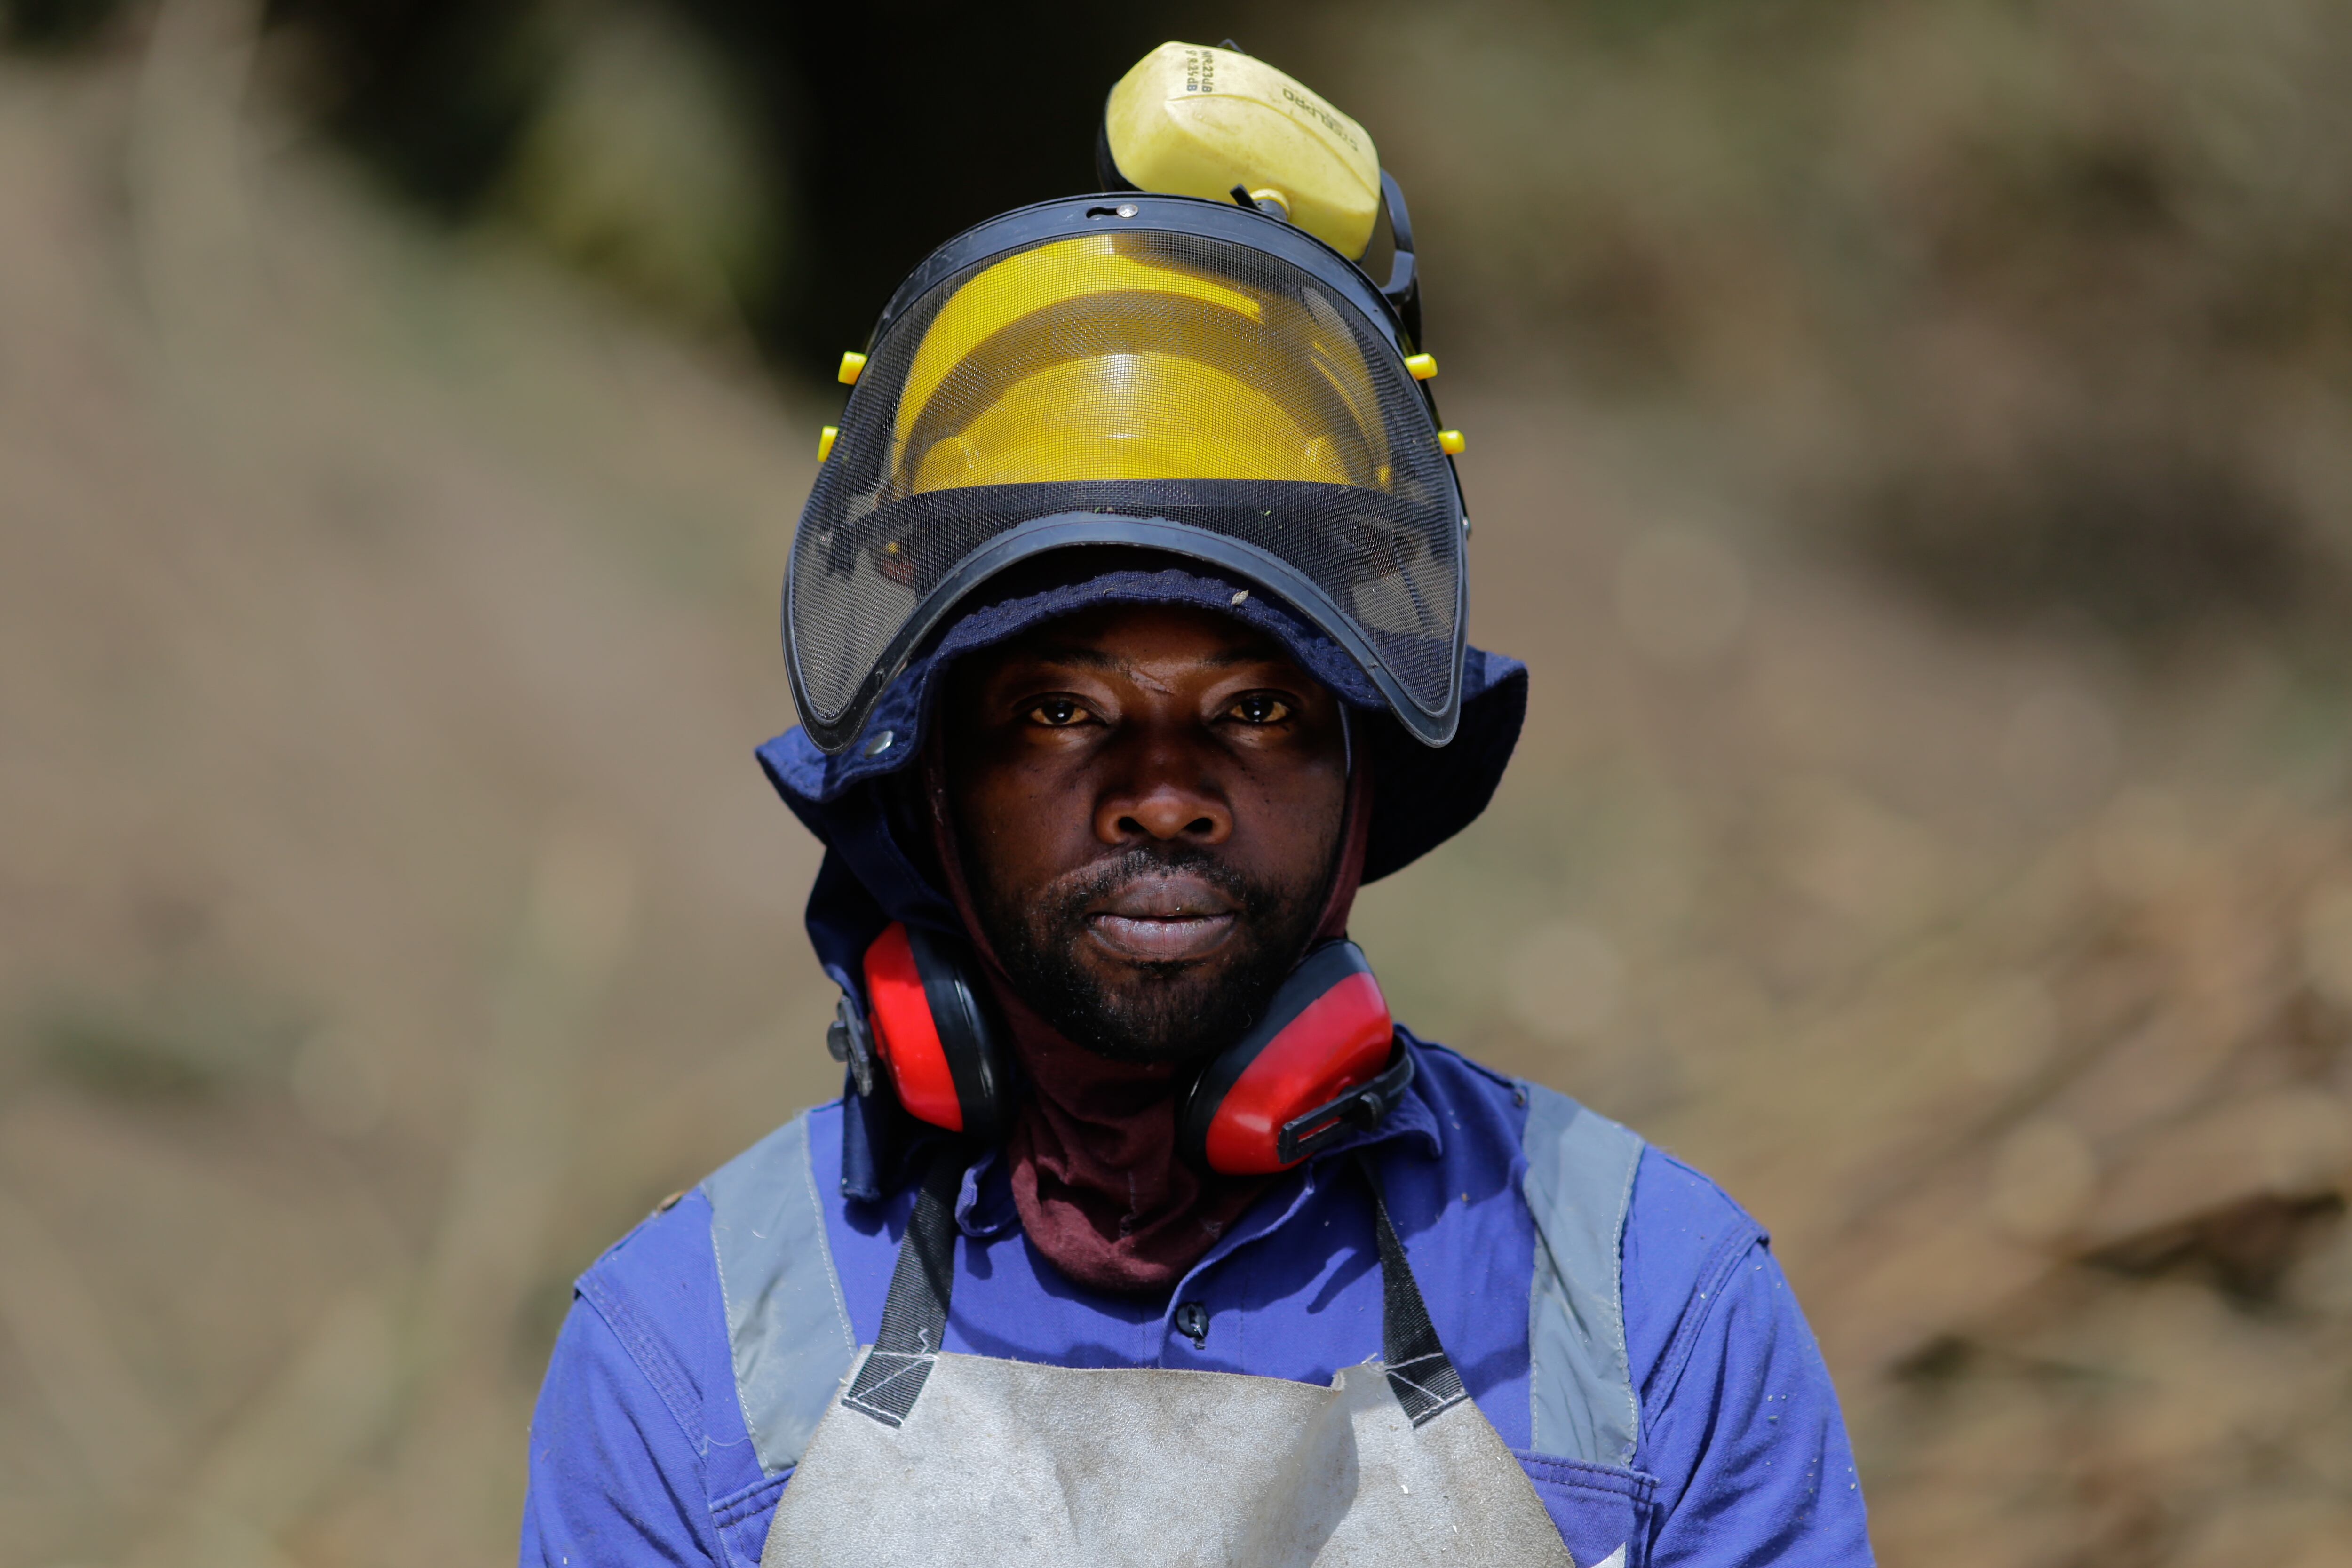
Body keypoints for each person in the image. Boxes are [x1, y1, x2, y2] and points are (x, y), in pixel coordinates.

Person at [519, 67, 1874, 1567]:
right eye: (1060, 714)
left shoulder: (1652, 1300)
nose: (1165, 795)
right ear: (934, 783)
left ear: (1362, 769)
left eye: (1255, 711)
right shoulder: (687, 1350)